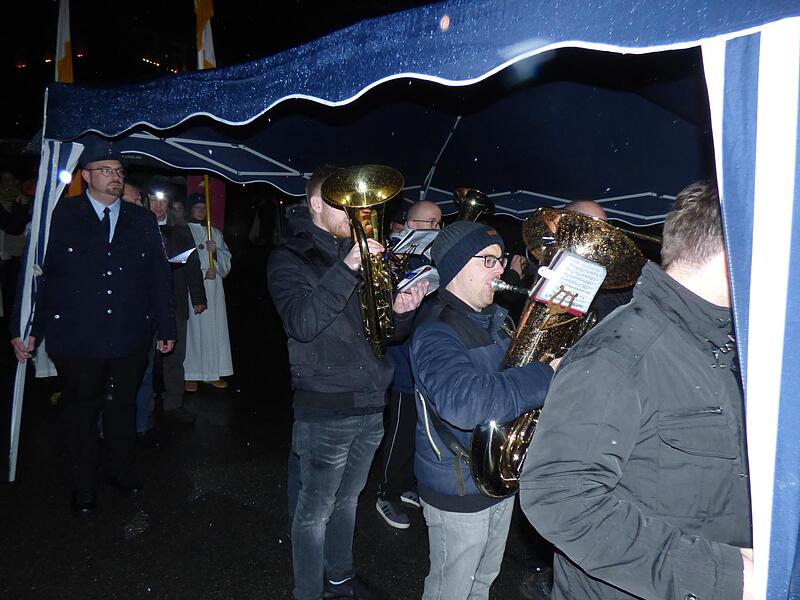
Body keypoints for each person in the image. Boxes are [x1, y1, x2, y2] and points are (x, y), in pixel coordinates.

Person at [520, 181, 753, 600]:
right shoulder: (621, 352)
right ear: (732, 254)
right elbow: (558, 495)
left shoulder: (726, 342)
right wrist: (719, 575)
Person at [267, 165, 427, 600]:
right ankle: (307, 592)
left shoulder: (361, 256)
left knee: (347, 501)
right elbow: (302, 323)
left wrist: (403, 310)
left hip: (371, 401)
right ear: (315, 204)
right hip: (326, 405)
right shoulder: (290, 257)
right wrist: (349, 266)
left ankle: (339, 578)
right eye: (342, 204)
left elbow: (385, 334)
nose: (355, 213)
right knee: (314, 510)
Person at [10, 144, 176, 514]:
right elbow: (39, 275)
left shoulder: (141, 220)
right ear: (85, 175)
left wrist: (166, 325)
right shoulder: (60, 216)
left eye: (119, 170)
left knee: (121, 407)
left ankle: (120, 470)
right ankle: (83, 484)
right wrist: (27, 326)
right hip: (78, 336)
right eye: (106, 170)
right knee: (81, 412)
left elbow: (157, 276)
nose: (115, 177)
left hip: (129, 333)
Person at [410, 220, 555, 600]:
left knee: (483, 582)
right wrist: (544, 375)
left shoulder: (497, 319)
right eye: (488, 260)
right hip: (457, 486)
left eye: (501, 260)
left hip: (496, 476)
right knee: (450, 591)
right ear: (456, 265)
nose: (500, 270)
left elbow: (507, 382)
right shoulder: (436, 330)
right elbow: (465, 404)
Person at [375, 199, 442, 530]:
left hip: (424, 361)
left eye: (439, 223)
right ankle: (386, 492)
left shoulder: (431, 256)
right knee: (401, 431)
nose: (437, 228)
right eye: (430, 223)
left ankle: (406, 484)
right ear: (412, 225)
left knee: (419, 431)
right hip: (403, 362)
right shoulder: (394, 258)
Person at [148, 191, 207, 425]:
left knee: (175, 356)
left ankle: (174, 403)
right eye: (153, 200)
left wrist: (198, 296)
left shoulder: (181, 230)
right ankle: (145, 406)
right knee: (146, 358)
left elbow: (193, 265)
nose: (158, 206)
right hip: (145, 305)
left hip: (175, 302)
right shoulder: (136, 227)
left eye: (163, 201)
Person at [182, 193, 233, 390]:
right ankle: (191, 374)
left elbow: (227, 261)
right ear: (190, 209)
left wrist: (215, 253)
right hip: (193, 286)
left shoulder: (215, 233)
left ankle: (212, 372)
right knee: (194, 331)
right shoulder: (184, 230)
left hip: (214, 286)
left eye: (204, 208)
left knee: (213, 329)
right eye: (197, 208)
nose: (201, 211)